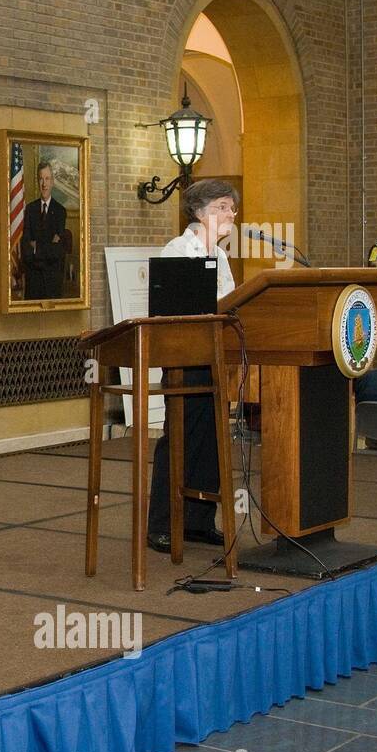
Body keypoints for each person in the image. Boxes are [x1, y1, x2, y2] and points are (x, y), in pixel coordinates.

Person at [146, 178, 239, 554]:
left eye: (232, 207)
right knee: (180, 440)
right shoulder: (177, 250)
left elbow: (230, 302)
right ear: (199, 211)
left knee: (212, 440)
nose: (231, 213)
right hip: (185, 360)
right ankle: (163, 525)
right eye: (222, 207)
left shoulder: (222, 255)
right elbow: (177, 308)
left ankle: (199, 522)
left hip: (216, 358)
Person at [23, 162, 68, 299]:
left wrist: (36, 247)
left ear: (53, 182)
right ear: (38, 181)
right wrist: (47, 245)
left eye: (47, 179)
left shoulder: (60, 211)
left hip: (52, 283)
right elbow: (26, 248)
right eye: (41, 179)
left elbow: (56, 252)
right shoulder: (30, 209)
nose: (44, 184)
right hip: (33, 282)